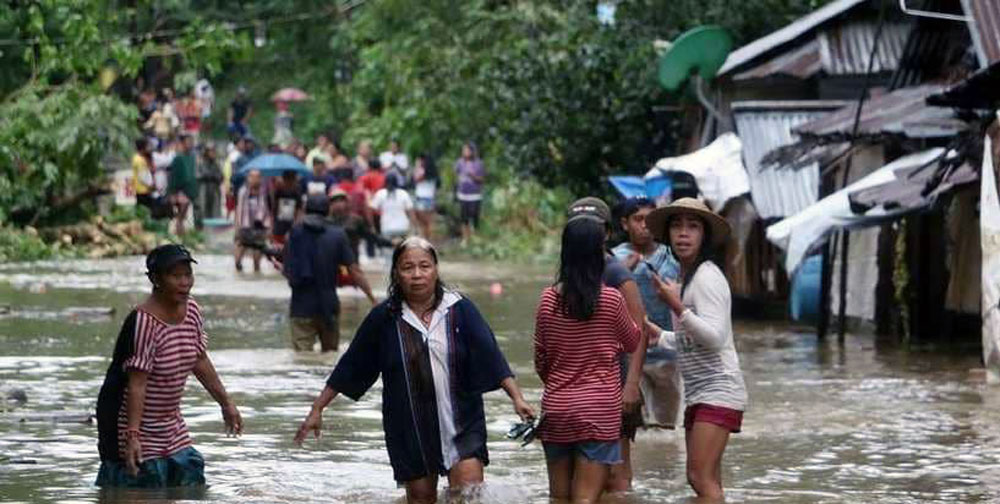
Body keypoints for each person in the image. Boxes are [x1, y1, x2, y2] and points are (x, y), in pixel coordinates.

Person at [294, 237, 534, 503]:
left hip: (462, 420)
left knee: (469, 494)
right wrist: (318, 408)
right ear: (396, 273)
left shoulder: (459, 309)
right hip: (408, 425)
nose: (417, 275)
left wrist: (517, 398)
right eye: (408, 268)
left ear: (436, 269)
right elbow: (351, 365)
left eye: (424, 266)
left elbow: (491, 355)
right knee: (420, 498)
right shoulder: (384, 318)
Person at [95, 244, 242, 488]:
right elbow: (137, 384)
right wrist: (132, 436)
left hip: (170, 424)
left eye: (188, 275)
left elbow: (199, 358)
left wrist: (225, 403)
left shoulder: (192, 310)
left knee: (190, 481)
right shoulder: (144, 322)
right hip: (130, 424)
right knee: (138, 487)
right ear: (156, 279)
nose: (185, 282)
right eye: (176, 276)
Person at [643, 197, 747, 502]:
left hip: (719, 389)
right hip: (701, 392)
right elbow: (694, 340)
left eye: (692, 226)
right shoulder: (686, 276)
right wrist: (661, 336)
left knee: (700, 478)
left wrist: (675, 305)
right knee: (702, 479)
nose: (683, 234)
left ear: (704, 235)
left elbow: (715, 338)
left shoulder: (707, 277)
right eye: (676, 226)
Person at [533, 214, 642, 503]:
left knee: (559, 497)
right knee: (585, 499)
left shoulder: (547, 300)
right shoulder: (611, 300)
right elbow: (633, 341)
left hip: (556, 409)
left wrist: (561, 382)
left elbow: (540, 360)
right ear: (599, 253)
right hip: (598, 410)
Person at [565, 197, 647, 493]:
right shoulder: (568, 274)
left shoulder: (616, 274)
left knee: (617, 474)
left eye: (593, 229)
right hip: (579, 389)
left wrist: (632, 385)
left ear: (607, 234)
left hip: (615, 383)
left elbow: (639, 335)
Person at [612, 197, 683, 429]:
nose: (644, 225)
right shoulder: (614, 259)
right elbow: (601, 296)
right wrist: (623, 272)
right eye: (638, 219)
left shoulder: (673, 257)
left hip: (667, 351)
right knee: (633, 425)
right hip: (629, 355)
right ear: (625, 224)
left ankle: (662, 464)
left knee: (666, 425)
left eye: (649, 220)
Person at [282, 194, 376, 352]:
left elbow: (289, 270)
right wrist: (372, 299)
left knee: (302, 360)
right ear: (327, 210)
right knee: (330, 358)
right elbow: (354, 270)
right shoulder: (338, 235)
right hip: (329, 306)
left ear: (306, 209)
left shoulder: (294, 233)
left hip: (300, 307)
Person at [329, 188, 392, 260]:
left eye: (341, 201)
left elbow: (371, 237)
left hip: (352, 261)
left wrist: (390, 243)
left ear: (347, 202)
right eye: (335, 201)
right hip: (332, 262)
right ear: (331, 204)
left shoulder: (355, 220)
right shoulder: (326, 222)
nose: (338, 204)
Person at [234, 169, 271, 272]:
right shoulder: (242, 191)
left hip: (260, 227)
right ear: (248, 178)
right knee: (239, 256)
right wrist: (237, 226)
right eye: (252, 177)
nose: (255, 179)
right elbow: (238, 209)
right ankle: (238, 268)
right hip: (244, 226)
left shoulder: (265, 192)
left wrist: (269, 229)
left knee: (257, 259)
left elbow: (269, 210)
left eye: (257, 177)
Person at [167, 135, 199, 235]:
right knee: (181, 213)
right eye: (188, 141)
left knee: (184, 214)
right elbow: (173, 176)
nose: (190, 144)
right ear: (182, 143)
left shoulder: (192, 157)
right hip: (180, 190)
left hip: (189, 189)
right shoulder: (178, 158)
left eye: (191, 141)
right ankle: (178, 233)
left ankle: (181, 233)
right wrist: (172, 193)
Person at [453, 142, 484, 246]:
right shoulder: (460, 163)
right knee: (464, 218)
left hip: (475, 195)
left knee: (474, 218)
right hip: (462, 194)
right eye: (463, 150)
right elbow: (456, 173)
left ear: (472, 151)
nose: (464, 152)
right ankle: (465, 239)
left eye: (466, 150)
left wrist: (473, 176)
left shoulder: (478, 163)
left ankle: (475, 239)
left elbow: (482, 179)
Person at [369, 174, 415, 242]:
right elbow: (411, 212)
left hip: (386, 227)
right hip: (402, 227)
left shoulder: (380, 193)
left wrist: (373, 226)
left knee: (388, 250)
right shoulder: (403, 193)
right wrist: (412, 227)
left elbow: (371, 209)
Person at [270, 170, 303, 246]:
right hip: (279, 224)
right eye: (287, 179)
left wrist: (296, 224)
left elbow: (299, 209)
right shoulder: (278, 191)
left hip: (291, 223)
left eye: (292, 179)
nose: (290, 182)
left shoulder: (297, 192)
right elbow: (273, 207)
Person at [412, 154, 439, 240]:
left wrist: (417, 167)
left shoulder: (421, 171)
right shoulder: (434, 172)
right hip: (430, 198)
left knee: (422, 223)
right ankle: (429, 240)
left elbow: (415, 179)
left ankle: (424, 239)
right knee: (429, 222)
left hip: (421, 198)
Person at [198, 143, 224, 219]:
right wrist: (209, 175)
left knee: (215, 213)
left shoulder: (216, 164)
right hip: (204, 190)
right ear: (206, 152)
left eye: (214, 151)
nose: (213, 153)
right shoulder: (201, 163)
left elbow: (221, 176)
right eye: (211, 151)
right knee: (204, 212)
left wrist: (214, 176)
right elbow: (198, 175)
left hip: (215, 190)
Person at [132, 138, 156, 210]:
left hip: (140, 189)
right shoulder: (139, 160)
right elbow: (143, 176)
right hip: (143, 190)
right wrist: (151, 185)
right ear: (143, 148)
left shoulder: (137, 158)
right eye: (148, 146)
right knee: (145, 211)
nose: (149, 148)